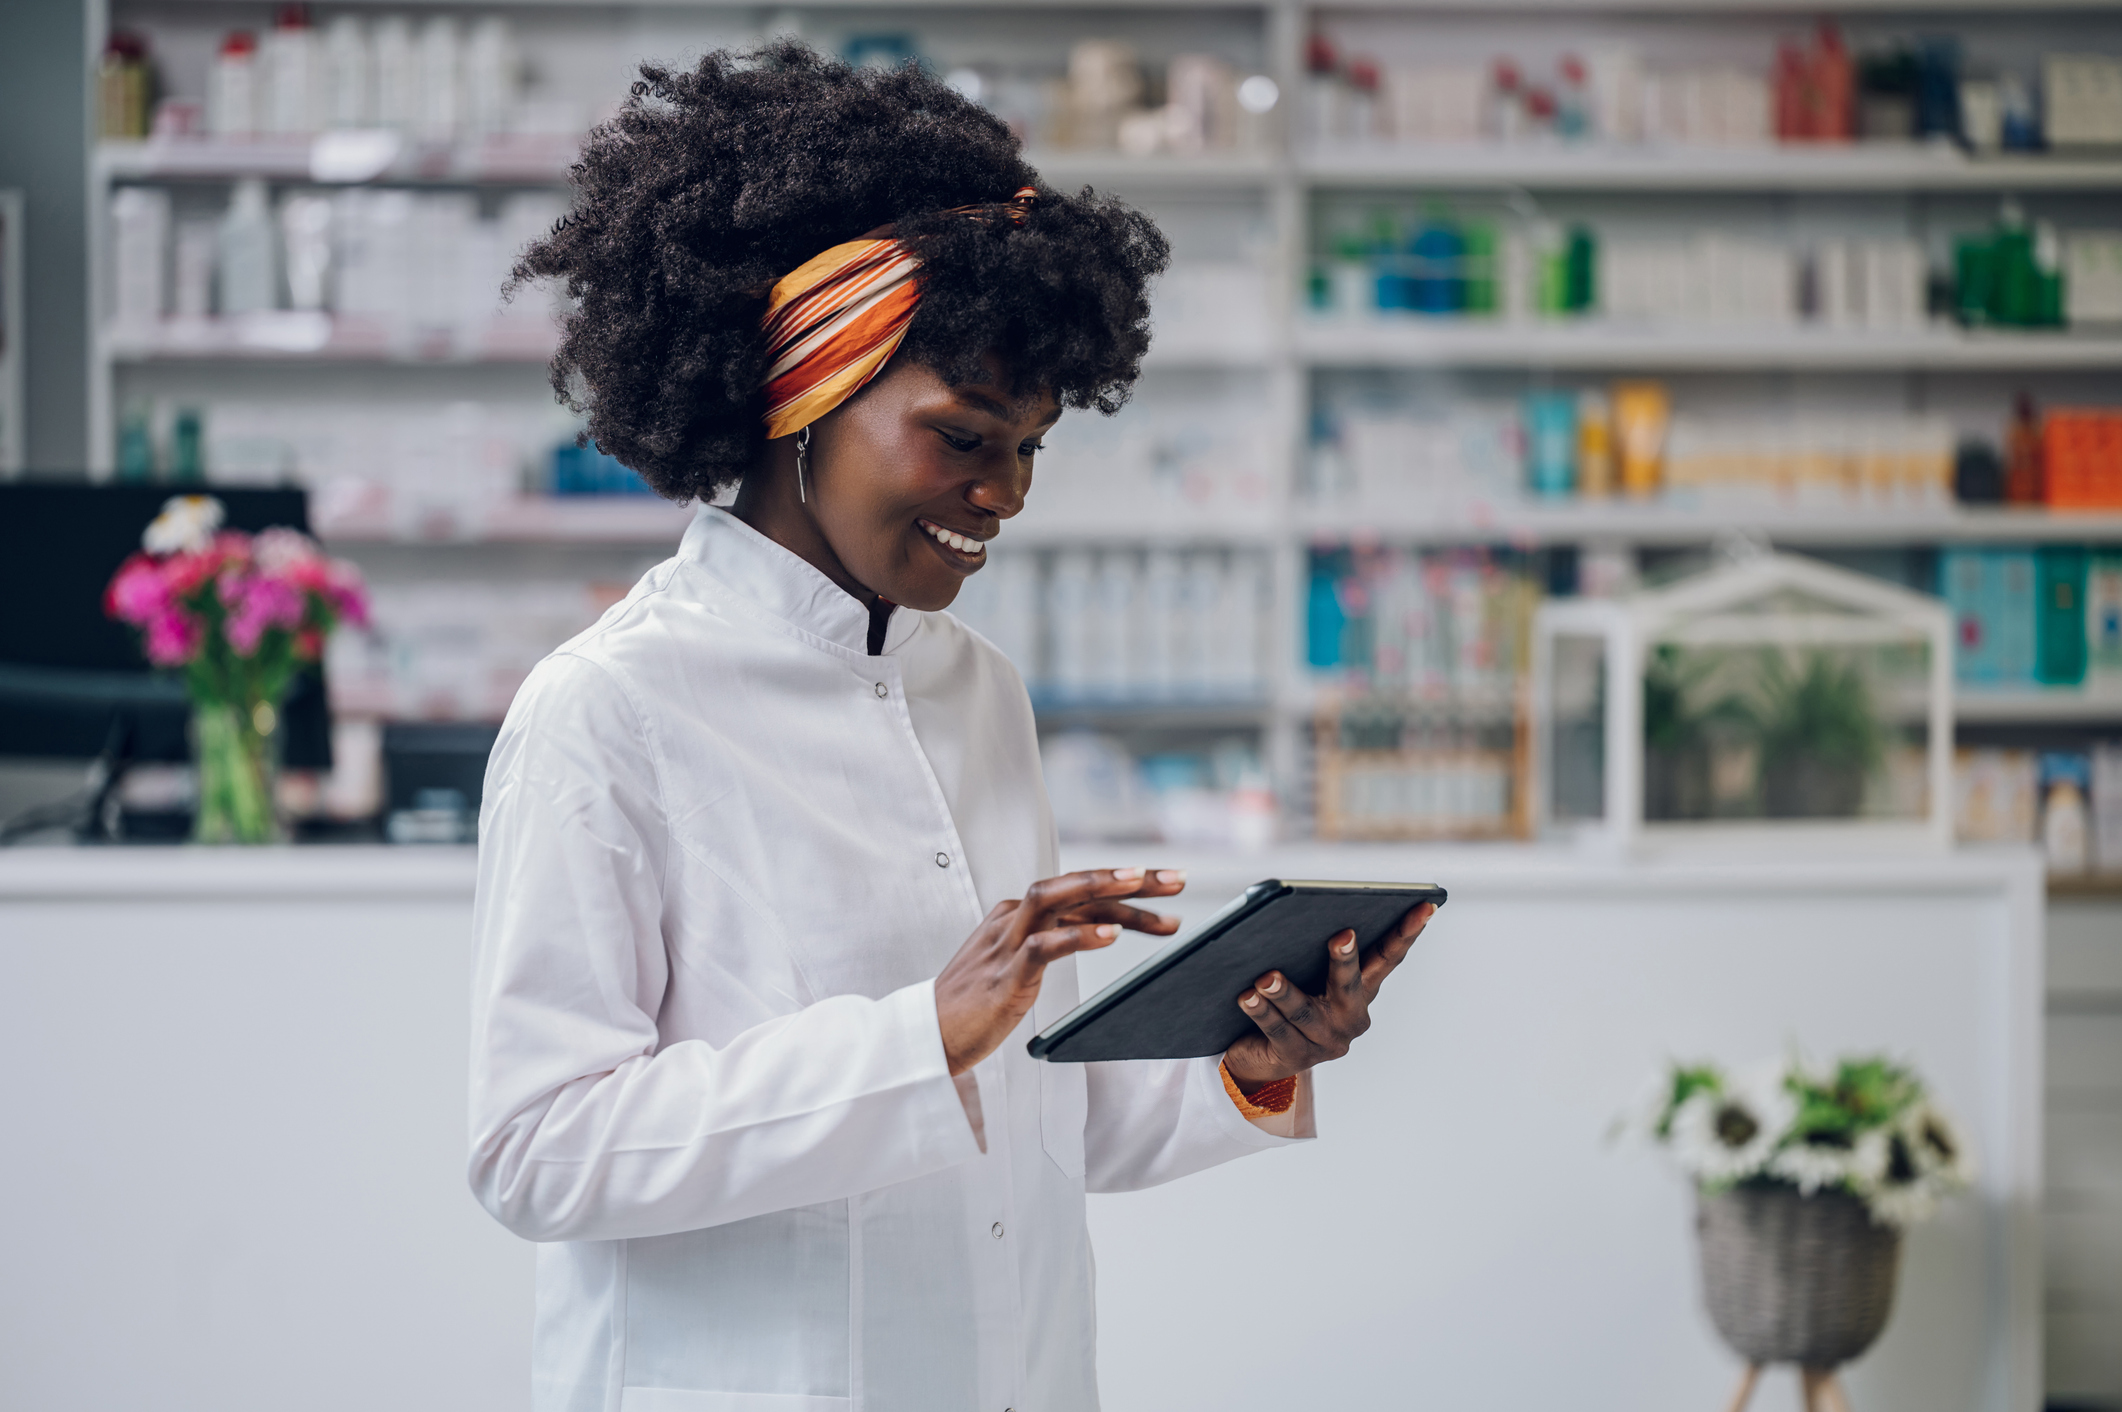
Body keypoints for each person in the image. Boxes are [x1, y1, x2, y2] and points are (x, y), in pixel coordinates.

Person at [467, 42, 1435, 1412]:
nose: (1005, 496)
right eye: (963, 437)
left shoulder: (972, 687)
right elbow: (538, 1153)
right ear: (800, 398)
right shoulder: (608, 708)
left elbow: (1035, 1109)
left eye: (1031, 447)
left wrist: (1249, 1059)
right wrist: (919, 1033)